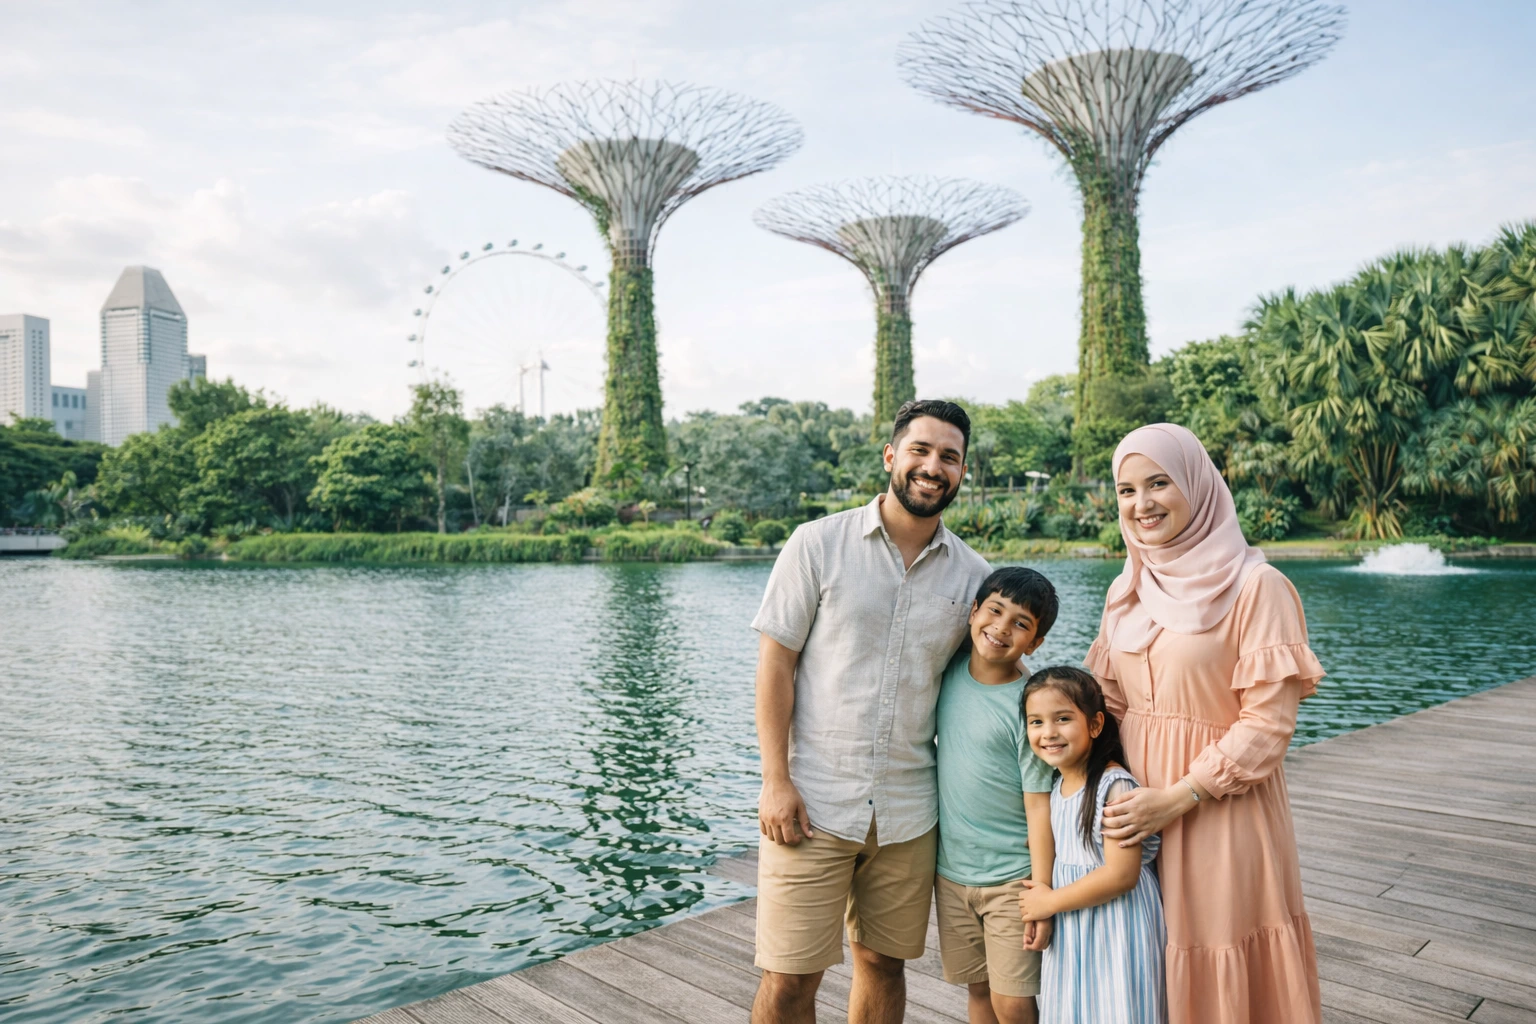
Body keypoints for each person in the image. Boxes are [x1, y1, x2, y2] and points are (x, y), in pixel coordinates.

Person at [750, 399, 992, 1024]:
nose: (932, 466)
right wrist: (775, 781)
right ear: (891, 456)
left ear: (963, 471)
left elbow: (985, 686)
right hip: (813, 802)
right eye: (920, 450)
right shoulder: (818, 544)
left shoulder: (975, 578)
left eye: (949, 457)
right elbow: (775, 664)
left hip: (910, 814)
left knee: (883, 965)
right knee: (789, 981)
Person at [1087, 423, 1325, 1024]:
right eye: (1126, 490)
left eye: (1159, 483)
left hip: (1220, 808)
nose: (1141, 504)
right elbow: (1108, 704)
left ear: (1198, 485)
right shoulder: (1128, 586)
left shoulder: (1257, 586)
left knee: (1214, 947)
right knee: (1143, 959)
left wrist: (1179, 796)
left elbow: (1267, 724)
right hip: (1135, 808)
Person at [934, 567, 1059, 1024]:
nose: (1002, 628)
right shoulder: (945, 673)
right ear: (973, 612)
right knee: (979, 993)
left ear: (1035, 642)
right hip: (951, 874)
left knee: (1014, 1003)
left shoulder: (1029, 705)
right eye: (994, 611)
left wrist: (1042, 891)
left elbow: (1038, 803)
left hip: (1013, 881)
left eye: (1021, 623)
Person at [1019, 666, 1167, 1024]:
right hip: (1074, 927)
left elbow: (1121, 875)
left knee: (1118, 1008)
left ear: (1096, 725)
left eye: (1063, 718)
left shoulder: (1114, 787)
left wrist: (1049, 902)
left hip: (1118, 926)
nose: (1048, 732)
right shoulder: (1058, 788)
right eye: (1036, 722)